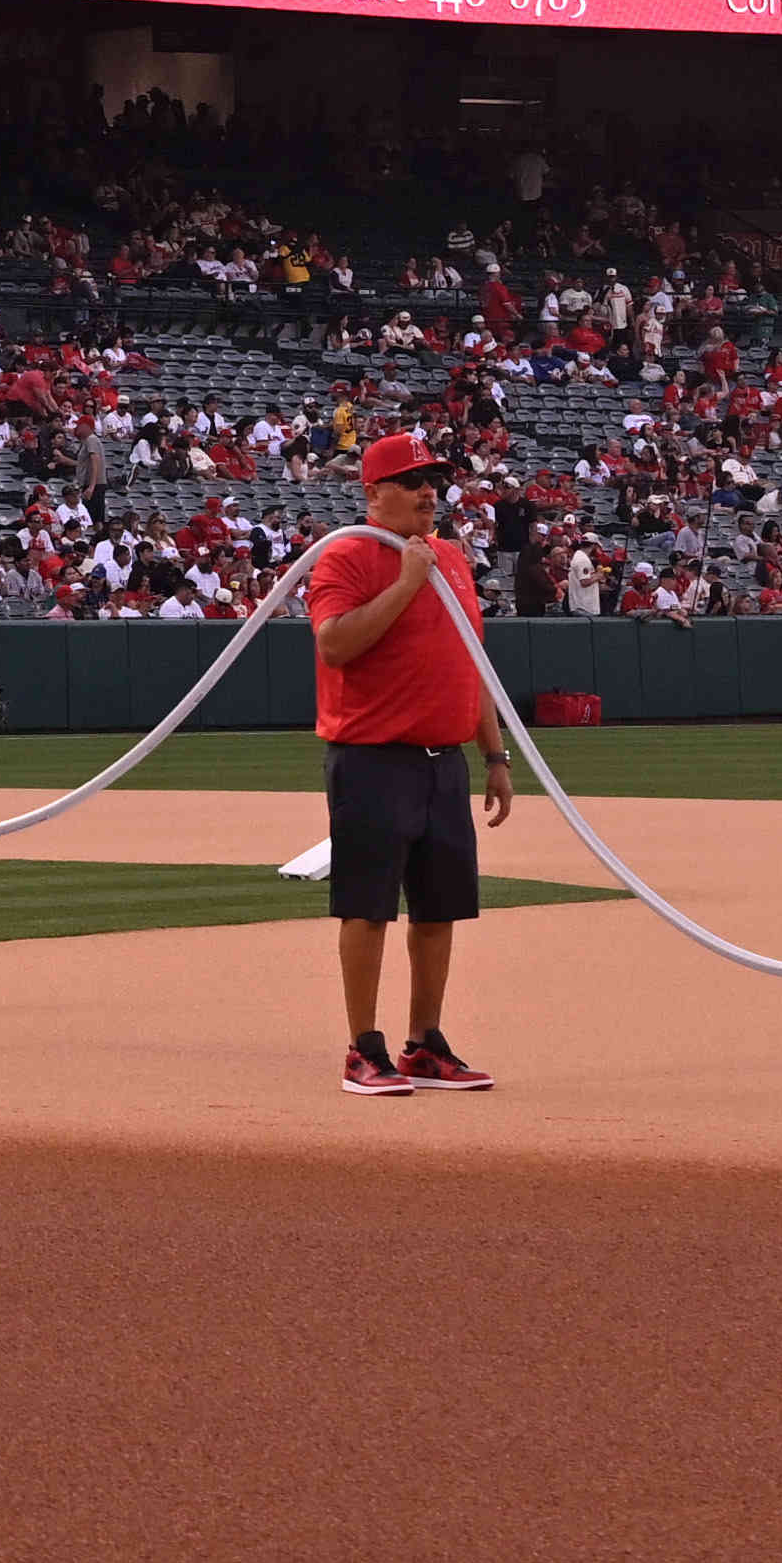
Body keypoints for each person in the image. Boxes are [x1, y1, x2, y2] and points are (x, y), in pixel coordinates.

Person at [311, 433, 515, 1096]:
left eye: (433, 478)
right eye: (413, 480)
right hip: (372, 758)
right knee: (367, 907)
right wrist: (405, 582)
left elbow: (473, 665)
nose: (430, 491)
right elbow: (335, 645)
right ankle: (361, 1049)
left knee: (439, 908)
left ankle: (424, 1043)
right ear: (374, 492)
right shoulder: (347, 554)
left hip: (442, 759)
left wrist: (495, 754)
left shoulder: (450, 556)